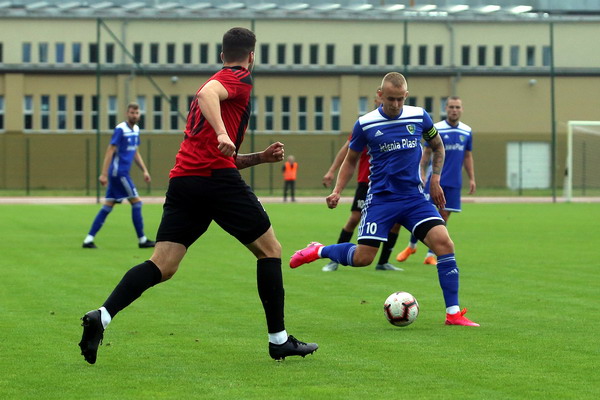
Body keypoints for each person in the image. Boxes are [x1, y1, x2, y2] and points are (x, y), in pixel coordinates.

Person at [79, 27, 318, 364]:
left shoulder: (221, 85)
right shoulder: (237, 78)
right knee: (270, 250)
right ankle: (279, 341)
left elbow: (223, 153)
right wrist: (222, 132)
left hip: (185, 181)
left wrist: (260, 157)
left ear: (222, 54)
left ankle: (101, 316)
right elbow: (207, 95)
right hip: (215, 180)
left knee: (163, 264)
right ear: (251, 56)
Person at [290, 72, 479, 327]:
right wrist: (337, 190)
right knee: (363, 258)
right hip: (381, 200)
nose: (396, 104)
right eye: (391, 99)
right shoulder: (365, 124)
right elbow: (351, 159)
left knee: (444, 243)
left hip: (414, 198)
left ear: (406, 96)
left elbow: (437, 146)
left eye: (400, 99)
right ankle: (319, 250)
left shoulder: (419, 116)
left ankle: (453, 314)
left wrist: (435, 179)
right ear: (380, 95)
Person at [321, 89, 402, 272]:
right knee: (355, 218)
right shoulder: (367, 124)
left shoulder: (398, 124)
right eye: (385, 98)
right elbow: (346, 152)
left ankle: (383, 262)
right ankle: (334, 259)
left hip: (392, 185)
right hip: (367, 182)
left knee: (396, 222)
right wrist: (331, 171)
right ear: (378, 99)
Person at [396, 96, 476, 265]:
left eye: (457, 107)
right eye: (451, 107)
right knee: (424, 214)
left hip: (453, 182)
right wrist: (421, 172)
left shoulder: (466, 131)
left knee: (444, 216)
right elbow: (426, 153)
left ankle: (430, 255)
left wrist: (472, 179)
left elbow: (468, 156)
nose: (454, 110)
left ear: (462, 109)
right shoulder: (436, 128)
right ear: (446, 109)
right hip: (434, 181)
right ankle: (411, 246)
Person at [82, 102, 155, 249]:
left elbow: (135, 152)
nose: (134, 115)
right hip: (119, 173)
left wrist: (144, 170)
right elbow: (110, 150)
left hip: (120, 174)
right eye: (132, 113)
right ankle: (142, 240)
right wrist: (103, 174)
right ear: (127, 114)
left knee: (108, 206)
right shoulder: (120, 129)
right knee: (137, 203)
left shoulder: (136, 130)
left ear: (139, 115)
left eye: (137, 113)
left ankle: (88, 240)